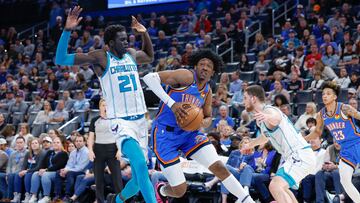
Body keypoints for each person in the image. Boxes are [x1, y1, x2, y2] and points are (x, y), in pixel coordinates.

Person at [55, 6, 156, 203]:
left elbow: (150, 56)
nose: (126, 41)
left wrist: (144, 34)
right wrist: (67, 30)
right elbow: (61, 59)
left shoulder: (131, 55)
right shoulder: (101, 57)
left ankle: (116, 200)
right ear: (110, 43)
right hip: (121, 122)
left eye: (127, 38)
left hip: (141, 122)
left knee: (137, 181)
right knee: (142, 168)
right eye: (122, 39)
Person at [143, 49, 255, 203]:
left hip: (189, 135)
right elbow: (149, 78)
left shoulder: (207, 91)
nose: (205, 67)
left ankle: (246, 200)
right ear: (195, 66)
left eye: (209, 66)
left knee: (219, 167)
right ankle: (161, 190)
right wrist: (173, 105)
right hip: (165, 134)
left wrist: (203, 122)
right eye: (202, 64)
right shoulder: (186, 76)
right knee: (180, 190)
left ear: (213, 72)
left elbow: (208, 116)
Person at [241, 85, 316, 203]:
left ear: (253, 99)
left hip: (299, 154)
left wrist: (267, 117)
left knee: (275, 186)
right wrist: (250, 144)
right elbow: (265, 137)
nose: (243, 101)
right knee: (283, 188)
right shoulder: (261, 119)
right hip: (295, 156)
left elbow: (276, 118)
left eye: (245, 98)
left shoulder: (269, 110)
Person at [305, 81, 360, 203]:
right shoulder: (321, 114)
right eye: (323, 93)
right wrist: (302, 140)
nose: (324, 96)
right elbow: (317, 133)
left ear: (335, 97)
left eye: (328, 93)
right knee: (344, 181)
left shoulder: (344, 108)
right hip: (345, 149)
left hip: (358, 143)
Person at [88, 99, 123, 203]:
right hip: (98, 149)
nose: (105, 107)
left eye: (107, 105)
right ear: (100, 107)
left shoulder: (115, 119)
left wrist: (119, 150)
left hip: (112, 149)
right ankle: (100, 200)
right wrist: (90, 150)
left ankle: (120, 200)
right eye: (103, 105)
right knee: (98, 179)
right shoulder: (94, 120)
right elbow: (91, 137)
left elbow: (119, 135)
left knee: (117, 178)